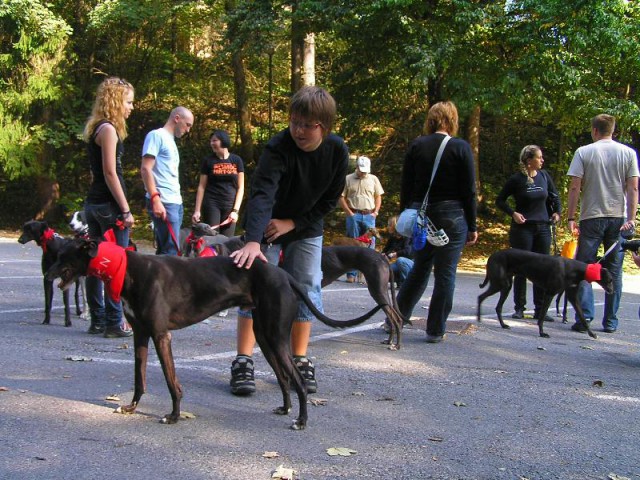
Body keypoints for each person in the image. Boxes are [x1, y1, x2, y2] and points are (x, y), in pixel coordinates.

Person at [228, 86, 348, 395]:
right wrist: (253, 242)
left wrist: (293, 223)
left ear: (325, 125)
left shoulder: (337, 151)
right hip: (267, 225)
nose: (298, 130)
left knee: (306, 286)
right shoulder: (278, 147)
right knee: (254, 282)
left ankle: (300, 360)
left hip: (306, 226)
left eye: (307, 125)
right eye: (294, 121)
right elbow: (262, 193)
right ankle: (243, 360)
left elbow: (330, 201)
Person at [396, 101, 478, 343]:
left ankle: (396, 317)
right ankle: (435, 329)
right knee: (445, 273)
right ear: (452, 120)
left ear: (430, 120)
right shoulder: (461, 147)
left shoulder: (417, 145)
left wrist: (405, 216)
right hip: (452, 214)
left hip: (421, 215)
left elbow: (406, 185)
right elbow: (469, 191)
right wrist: (472, 225)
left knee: (420, 267)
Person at [566, 113, 639, 334]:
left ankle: (585, 316)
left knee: (585, 267)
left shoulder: (584, 152)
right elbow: (633, 187)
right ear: (613, 130)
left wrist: (571, 216)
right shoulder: (628, 153)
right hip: (617, 217)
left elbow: (575, 187)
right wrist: (631, 218)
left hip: (591, 216)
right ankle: (611, 321)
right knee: (614, 271)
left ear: (594, 130)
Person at [82, 76, 135, 338]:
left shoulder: (96, 128)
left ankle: (98, 320)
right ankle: (114, 321)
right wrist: (125, 210)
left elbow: (96, 175)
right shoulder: (109, 130)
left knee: (94, 260)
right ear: (115, 101)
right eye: (128, 101)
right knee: (116, 263)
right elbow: (110, 173)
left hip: (93, 203)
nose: (131, 107)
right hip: (109, 208)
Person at [496, 145, 561, 322]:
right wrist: (513, 213)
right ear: (528, 160)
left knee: (543, 268)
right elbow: (500, 200)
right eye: (539, 157)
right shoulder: (517, 179)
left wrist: (557, 213)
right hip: (523, 229)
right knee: (521, 267)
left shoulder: (545, 176)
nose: (542, 160)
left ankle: (540, 308)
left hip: (542, 228)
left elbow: (554, 197)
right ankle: (519, 307)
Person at [141, 106, 194, 255]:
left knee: (167, 249)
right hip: (164, 201)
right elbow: (146, 168)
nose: (188, 130)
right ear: (177, 118)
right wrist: (155, 199)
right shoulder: (156, 136)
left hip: (175, 202)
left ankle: (157, 278)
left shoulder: (170, 140)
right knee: (170, 251)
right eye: (187, 125)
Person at [338, 156, 384, 282]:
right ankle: (351, 274)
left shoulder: (373, 179)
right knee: (352, 244)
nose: (363, 172)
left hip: (369, 215)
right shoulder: (347, 179)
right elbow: (341, 197)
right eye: (361, 170)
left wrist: (376, 212)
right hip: (354, 214)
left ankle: (368, 274)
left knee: (370, 244)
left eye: (365, 171)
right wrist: (349, 213)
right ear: (356, 167)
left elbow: (378, 196)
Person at [192, 130, 244, 236]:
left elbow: (241, 187)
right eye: (210, 141)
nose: (212, 143)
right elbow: (201, 187)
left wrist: (235, 211)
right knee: (212, 238)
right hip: (212, 203)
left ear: (223, 141)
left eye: (214, 140)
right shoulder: (208, 161)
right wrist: (197, 211)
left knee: (227, 241)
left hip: (230, 205)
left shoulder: (236, 160)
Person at [382, 215, 414, 287]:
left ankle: (408, 284)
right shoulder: (392, 238)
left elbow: (408, 252)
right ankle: (400, 281)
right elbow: (385, 250)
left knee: (400, 260)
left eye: (389, 225)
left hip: (410, 263)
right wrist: (384, 256)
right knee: (383, 268)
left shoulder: (407, 236)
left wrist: (395, 254)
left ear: (395, 226)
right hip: (395, 262)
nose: (388, 227)